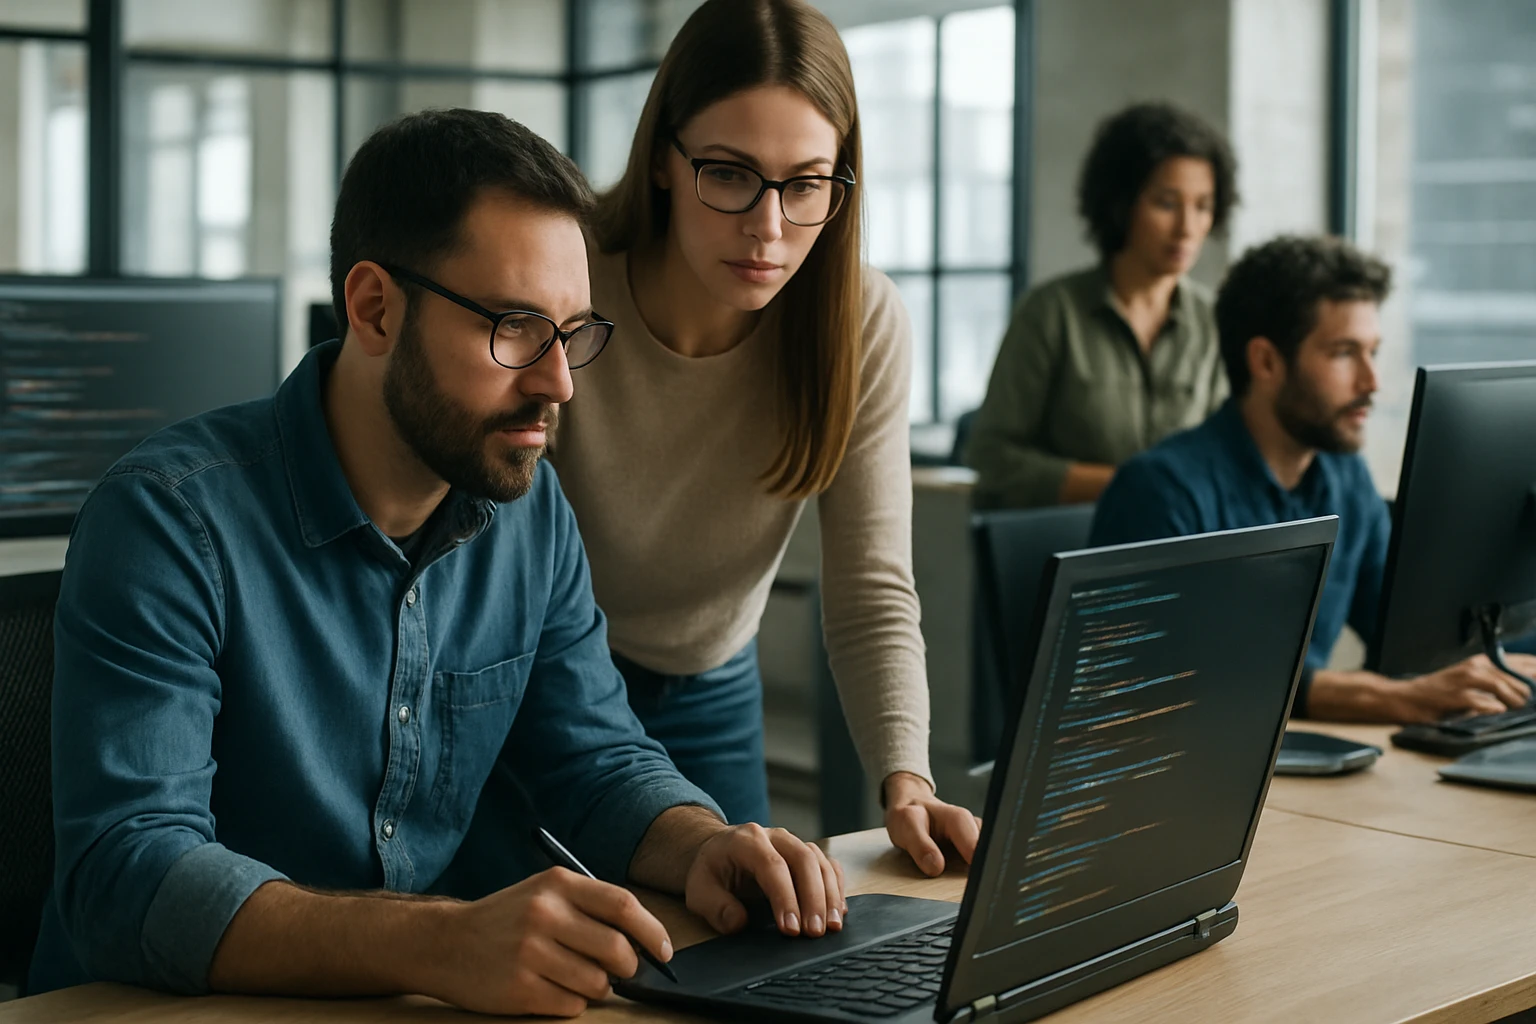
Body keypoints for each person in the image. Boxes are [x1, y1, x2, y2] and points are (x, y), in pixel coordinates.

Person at [29, 109, 846, 1017]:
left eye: (573, 333)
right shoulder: (170, 520)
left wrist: (699, 844)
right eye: (513, 327)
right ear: (375, 307)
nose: (558, 382)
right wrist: (440, 940)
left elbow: (597, 763)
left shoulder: (528, 512)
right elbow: (130, 872)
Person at [549, 0, 979, 875]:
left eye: (807, 182)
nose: (771, 227)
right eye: (731, 174)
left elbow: (870, 589)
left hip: (711, 685)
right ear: (666, 159)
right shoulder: (568, 279)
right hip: (544, 679)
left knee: (743, 944)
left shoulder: (857, 319)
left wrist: (907, 779)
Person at [1090, 234, 1536, 723]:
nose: (1372, 382)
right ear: (1265, 361)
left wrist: (1487, 658)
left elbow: (1407, 644)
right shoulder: (1159, 491)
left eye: (1372, 351)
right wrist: (1386, 699)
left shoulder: (1346, 478)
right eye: (1345, 353)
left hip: (1305, 762)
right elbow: (1180, 682)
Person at [966, 102, 1237, 509]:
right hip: (1069, 549)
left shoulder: (1216, 323)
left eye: (1202, 206)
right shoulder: (1050, 314)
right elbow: (992, 457)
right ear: (1120, 203)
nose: (1188, 228)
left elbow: (1229, 453)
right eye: (1166, 203)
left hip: (1184, 548)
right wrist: (1127, 485)